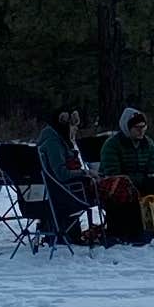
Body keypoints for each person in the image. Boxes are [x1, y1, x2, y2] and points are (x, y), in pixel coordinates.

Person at [93, 104, 154, 243]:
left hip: (141, 185)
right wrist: (140, 180)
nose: (141, 131)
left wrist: (151, 178)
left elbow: (152, 168)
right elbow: (113, 174)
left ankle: (150, 220)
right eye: (137, 128)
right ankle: (132, 227)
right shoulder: (112, 145)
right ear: (127, 128)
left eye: (143, 127)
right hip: (118, 189)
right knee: (125, 190)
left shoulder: (147, 144)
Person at [32, 103, 97, 243]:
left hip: (53, 193)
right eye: (74, 126)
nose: (76, 129)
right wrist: (85, 173)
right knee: (105, 190)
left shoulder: (56, 139)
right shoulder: (53, 142)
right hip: (62, 194)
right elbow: (61, 174)